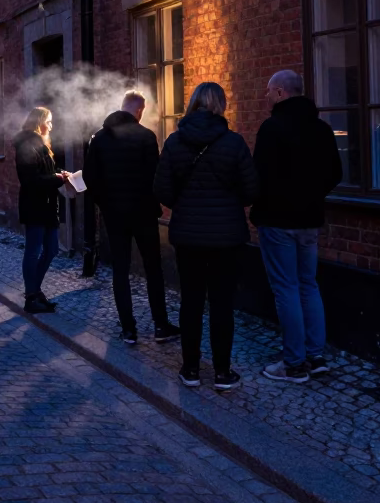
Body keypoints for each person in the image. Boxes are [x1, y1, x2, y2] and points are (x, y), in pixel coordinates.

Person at [153, 82, 258, 392]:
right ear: (220, 105)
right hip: (227, 238)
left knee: (192, 301)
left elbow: (161, 188)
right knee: (222, 304)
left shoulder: (174, 142)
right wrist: (228, 202)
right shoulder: (234, 143)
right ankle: (223, 372)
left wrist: (183, 206)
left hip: (188, 236)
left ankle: (190, 369)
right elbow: (252, 191)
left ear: (193, 104)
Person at [251, 69, 343, 384]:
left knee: (286, 289)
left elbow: (257, 175)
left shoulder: (272, 128)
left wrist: (266, 200)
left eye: (267, 91)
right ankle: (315, 357)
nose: (265, 97)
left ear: (280, 92)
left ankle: (293, 364)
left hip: (277, 221)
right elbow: (335, 173)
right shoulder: (321, 128)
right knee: (308, 285)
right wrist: (312, 196)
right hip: (310, 219)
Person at [83, 91, 179, 346]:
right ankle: (160, 325)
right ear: (138, 111)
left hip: (114, 215)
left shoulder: (100, 139)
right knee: (153, 269)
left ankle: (128, 329)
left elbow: (90, 179)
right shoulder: (146, 137)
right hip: (144, 213)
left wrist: (105, 204)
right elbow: (155, 177)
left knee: (120, 271)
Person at [13, 107, 69, 314]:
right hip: (35, 205)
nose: (52, 126)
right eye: (50, 121)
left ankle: (34, 291)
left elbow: (44, 172)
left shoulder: (42, 144)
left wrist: (60, 174)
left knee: (52, 249)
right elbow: (29, 180)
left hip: (47, 205)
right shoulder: (27, 145)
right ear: (40, 122)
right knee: (33, 250)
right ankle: (31, 296)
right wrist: (56, 179)